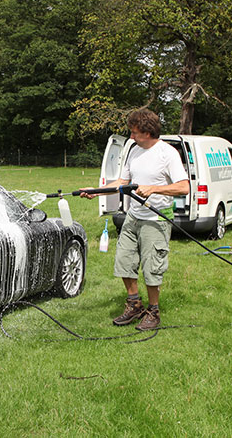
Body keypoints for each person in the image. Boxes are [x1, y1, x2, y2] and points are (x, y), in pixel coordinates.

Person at [80, 108, 189, 330]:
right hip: (134, 217)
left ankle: (153, 311)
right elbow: (122, 182)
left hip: (156, 219)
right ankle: (134, 304)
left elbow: (184, 187)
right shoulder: (133, 150)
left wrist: (154, 189)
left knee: (152, 267)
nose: (131, 137)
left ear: (148, 132)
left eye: (135, 132)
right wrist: (96, 190)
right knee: (124, 262)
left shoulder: (167, 153)